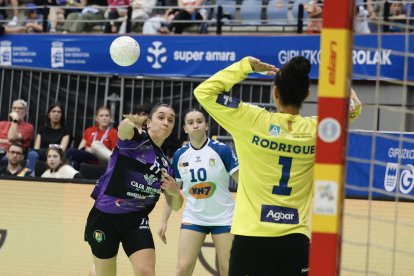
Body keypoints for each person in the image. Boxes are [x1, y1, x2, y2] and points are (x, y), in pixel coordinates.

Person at [193, 56, 362, 275]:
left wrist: (245, 66)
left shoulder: (250, 119)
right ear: (306, 95)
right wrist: (342, 77)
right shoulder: (317, 129)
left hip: (251, 239)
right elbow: (354, 108)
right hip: (294, 240)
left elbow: (204, 92)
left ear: (275, 92)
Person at [85, 103, 184, 276]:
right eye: (160, 117)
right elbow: (122, 129)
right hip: (105, 217)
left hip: (136, 221)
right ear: (148, 122)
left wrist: (175, 192)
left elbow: (175, 205)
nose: (166, 122)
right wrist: (131, 122)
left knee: (146, 272)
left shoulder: (166, 166)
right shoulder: (134, 139)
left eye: (170, 120)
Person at [157, 108, 239, 276]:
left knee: (227, 270)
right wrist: (164, 220)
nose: (196, 126)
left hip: (223, 217)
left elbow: (243, 182)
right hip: (194, 216)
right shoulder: (180, 155)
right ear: (185, 129)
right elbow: (173, 191)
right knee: (182, 269)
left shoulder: (221, 150)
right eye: (190, 123)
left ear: (206, 125)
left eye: (199, 121)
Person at [27, 102, 71, 171]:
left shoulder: (66, 130)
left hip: (55, 154)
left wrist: (50, 154)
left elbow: (61, 149)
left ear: (62, 115)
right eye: (53, 111)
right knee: (32, 153)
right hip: (42, 153)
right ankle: (30, 175)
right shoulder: (42, 129)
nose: (56, 114)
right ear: (49, 114)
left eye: (59, 112)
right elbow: (36, 148)